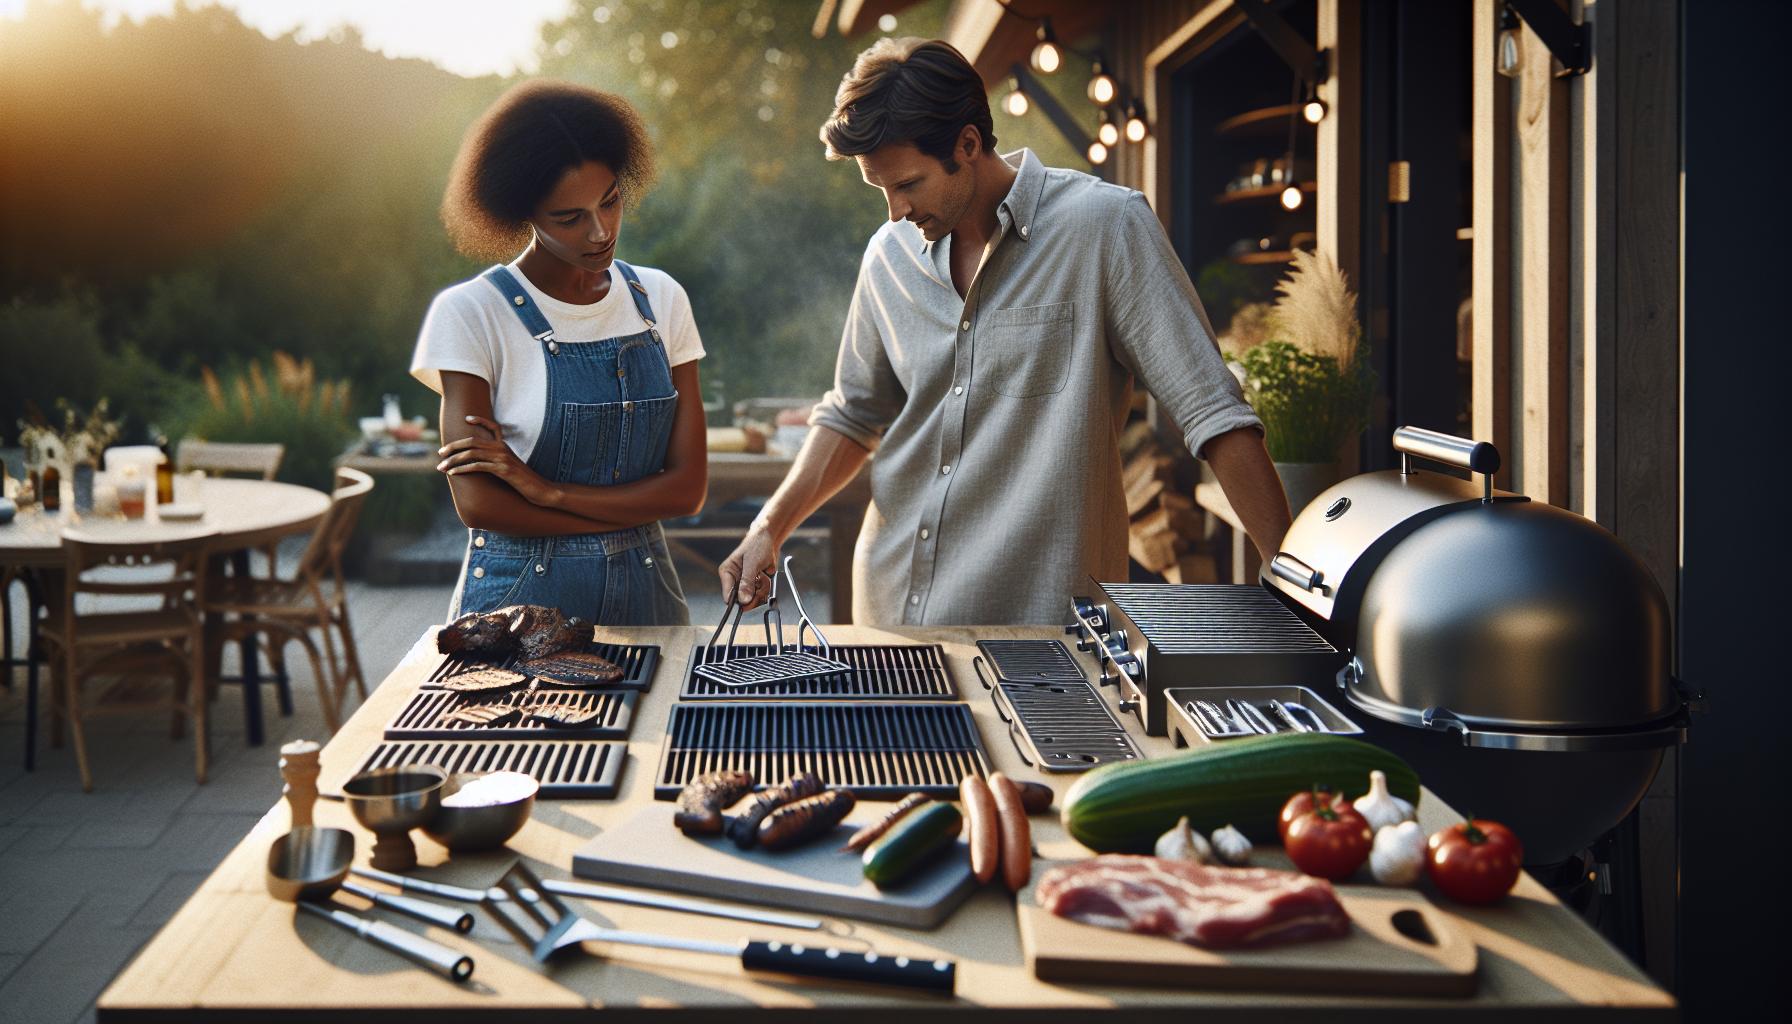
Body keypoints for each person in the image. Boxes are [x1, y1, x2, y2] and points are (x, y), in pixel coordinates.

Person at [719, 39, 1291, 625]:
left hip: (1041, 625)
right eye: (881, 189)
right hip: (891, 611)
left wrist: (1296, 587)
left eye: (908, 184)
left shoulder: (1104, 228)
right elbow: (852, 415)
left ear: (968, 144)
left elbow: (1213, 412)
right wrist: (769, 527)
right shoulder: (888, 255)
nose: (893, 211)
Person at [411, 80, 706, 624]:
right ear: (522, 213)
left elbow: (687, 489)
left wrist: (546, 494)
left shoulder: (661, 299)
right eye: (569, 218)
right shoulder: (471, 313)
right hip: (515, 609)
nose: (600, 231)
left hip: (649, 600)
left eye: (610, 201)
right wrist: (625, 517)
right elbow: (480, 506)